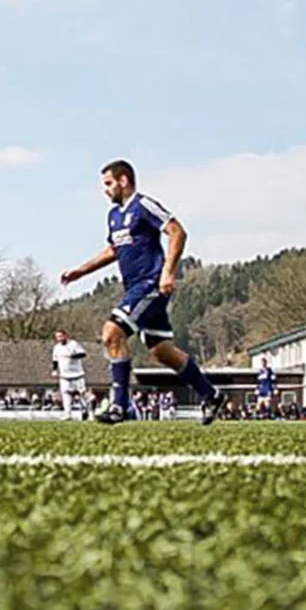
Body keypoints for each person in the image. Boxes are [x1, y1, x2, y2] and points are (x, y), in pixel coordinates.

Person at [59, 159, 224, 426]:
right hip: (135, 287)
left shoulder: (144, 205)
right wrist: (81, 271)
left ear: (123, 180)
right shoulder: (114, 216)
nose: (105, 190)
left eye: (109, 183)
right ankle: (211, 394)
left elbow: (177, 231)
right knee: (163, 352)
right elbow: (114, 250)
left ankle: (119, 406)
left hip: (150, 285)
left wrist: (168, 272)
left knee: (111, 333)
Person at [50, 328, 89, 420]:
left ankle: (85, 410)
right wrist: (54, 370)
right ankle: (68, 414)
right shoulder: (56, 348)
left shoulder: (73, 344)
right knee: (65, 395)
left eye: (60, 336)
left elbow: (83, 354)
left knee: (81, 394)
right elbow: (55, 360)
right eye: (57, 337)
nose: (59, 339)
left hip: (77, 375)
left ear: (65, 336)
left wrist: (72, 356)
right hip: (64, 376)